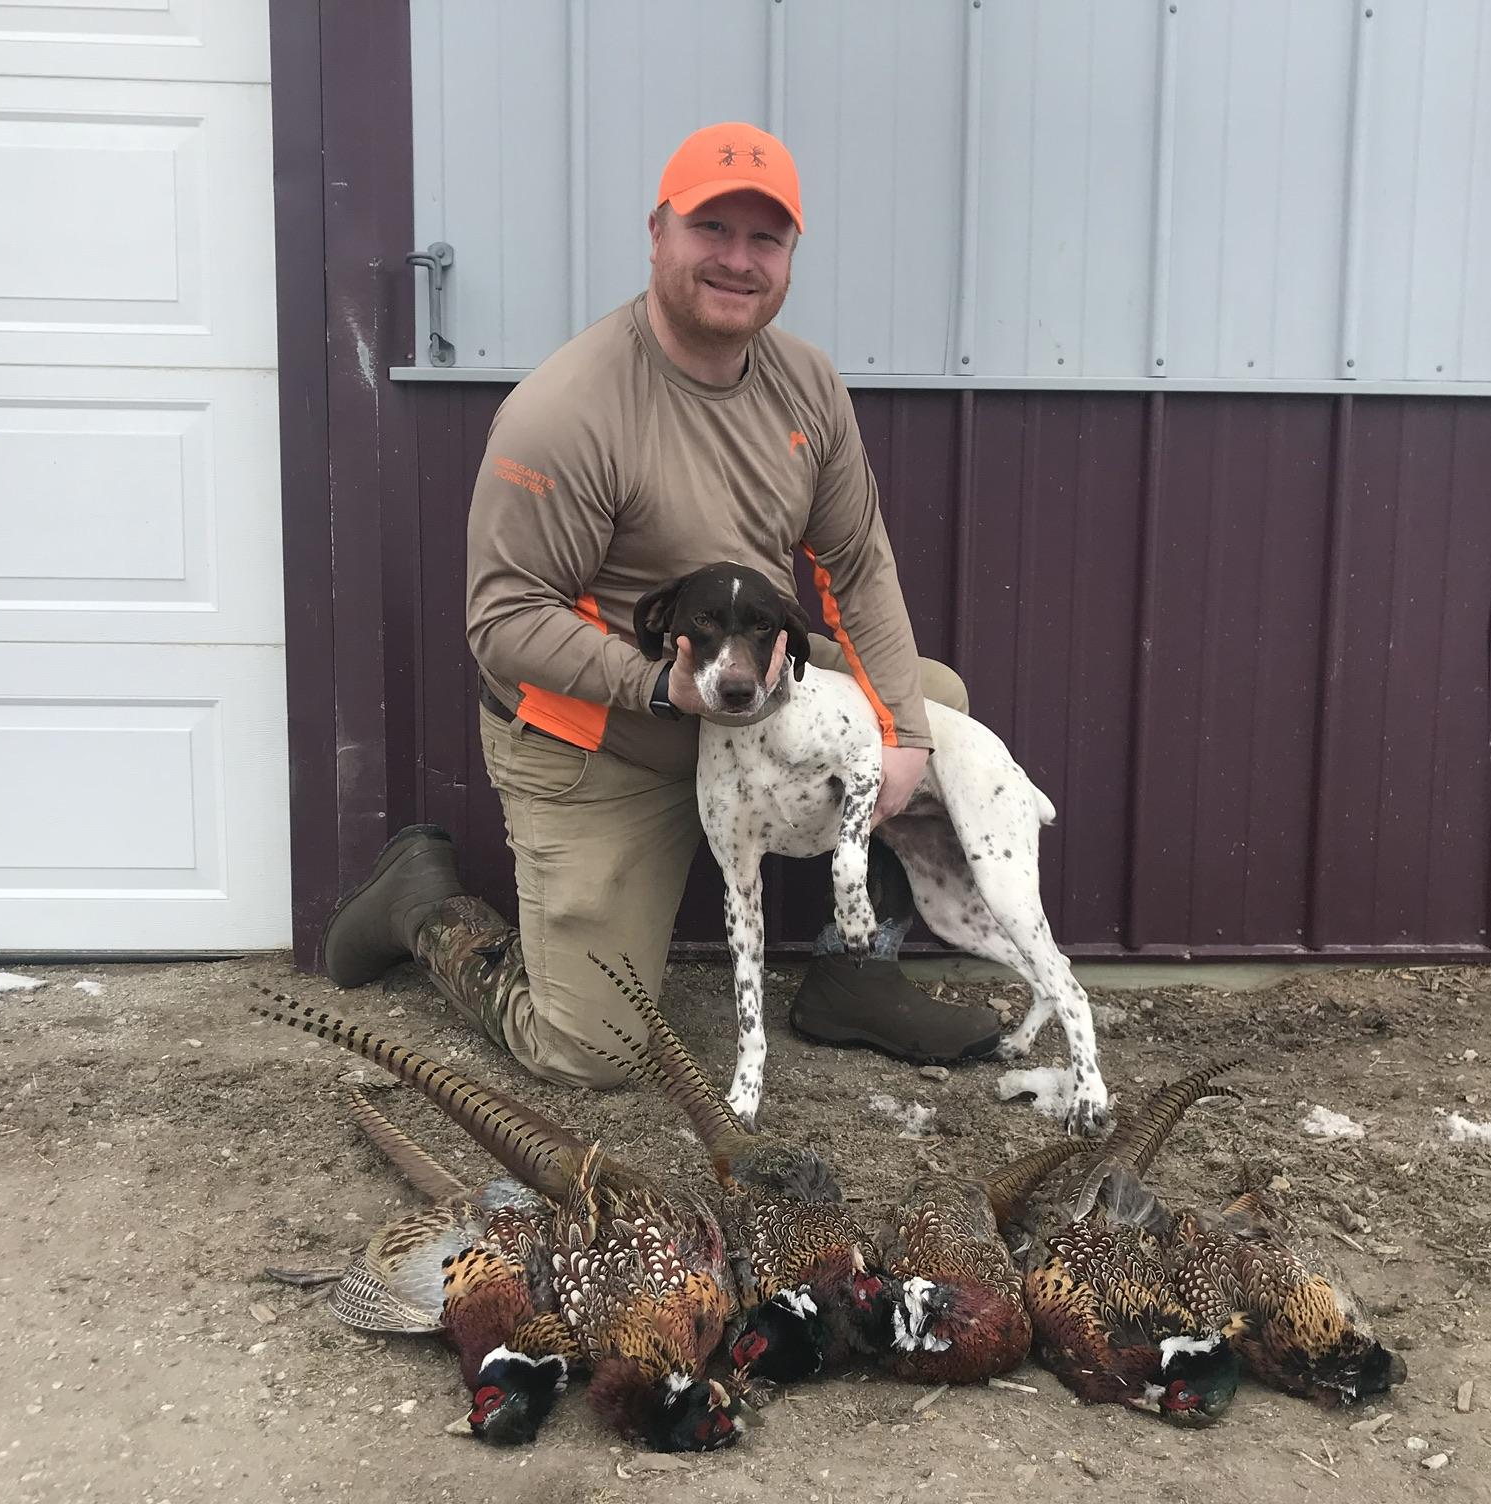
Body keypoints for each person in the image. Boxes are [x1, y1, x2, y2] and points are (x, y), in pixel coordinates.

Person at [321, 121, 1000, 1088]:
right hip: (604, 734)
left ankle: (855, 971)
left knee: (928, 704)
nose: (738, 259)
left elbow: (857, 566)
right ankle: (423, 911)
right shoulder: (570, 410)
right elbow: (502, 619)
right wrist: (656, 687)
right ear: (657, 233)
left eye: (765, 238)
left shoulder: (808, 386)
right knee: (591, 1052)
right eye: (710, 227)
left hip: (748, 701)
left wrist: (903, 733)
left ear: (791, 255)